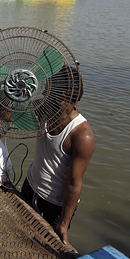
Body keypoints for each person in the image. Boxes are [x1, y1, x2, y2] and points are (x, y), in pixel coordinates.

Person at [21, 65, 95, 245]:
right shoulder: (42, 110)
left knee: (43, 247)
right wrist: (9, 95)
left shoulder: (82, 135)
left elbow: (74, 182)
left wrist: (63, 223)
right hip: (31, 186)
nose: (43, 94)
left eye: (47, 91)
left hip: (56, 204)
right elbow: (9, 117)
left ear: (61, 98)